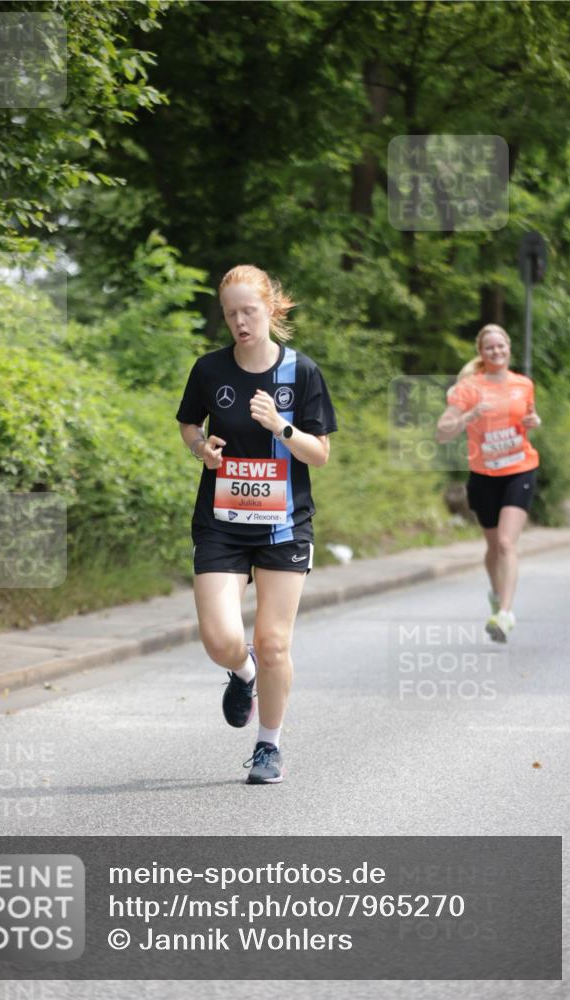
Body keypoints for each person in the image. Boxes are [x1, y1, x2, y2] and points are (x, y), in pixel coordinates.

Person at [176, 264, 337, 783]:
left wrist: (280, 426)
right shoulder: (209, 370)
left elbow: (319, 454)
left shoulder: (302, 372)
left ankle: (268, 746)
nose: (241, 322)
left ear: (270, 308)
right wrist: (201, 449)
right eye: (231, 314)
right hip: (221, 523)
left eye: (249, 311)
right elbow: (188, 424)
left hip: (284, 526)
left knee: (273, 643)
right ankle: (242, 672)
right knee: (219, 640)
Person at [436, 324, 541, 642]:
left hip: (520, 468)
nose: (496, 351)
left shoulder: (523, 384)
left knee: (507, 543)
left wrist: (534, 421)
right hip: (484, 475)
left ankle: (505, 613)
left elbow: (529, 418)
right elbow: (442, 432)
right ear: (481, 353)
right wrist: (469, 416)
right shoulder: (469, 388)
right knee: (493, 547)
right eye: (490, 347)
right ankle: (497, 595)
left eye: (501, 345)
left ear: (509, 347)